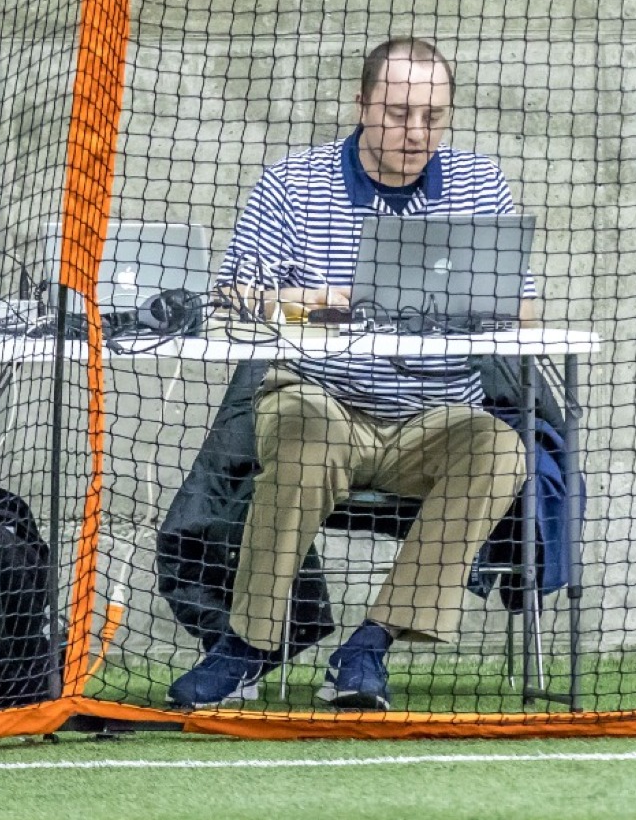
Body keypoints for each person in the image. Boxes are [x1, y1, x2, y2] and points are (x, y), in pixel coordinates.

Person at [167, 37, 534, 711]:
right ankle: (246, 647)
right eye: (397, 114)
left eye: (433, 117)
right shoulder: (291, 183)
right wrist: (318, 302)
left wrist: (462, 303)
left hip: (433, 416)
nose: (415, 132)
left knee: (501, 450)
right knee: (305, 439)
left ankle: (367, 646)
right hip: (319, 398)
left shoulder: (479, 184)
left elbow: (524, 305)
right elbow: (230, 299)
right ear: (361, 104)